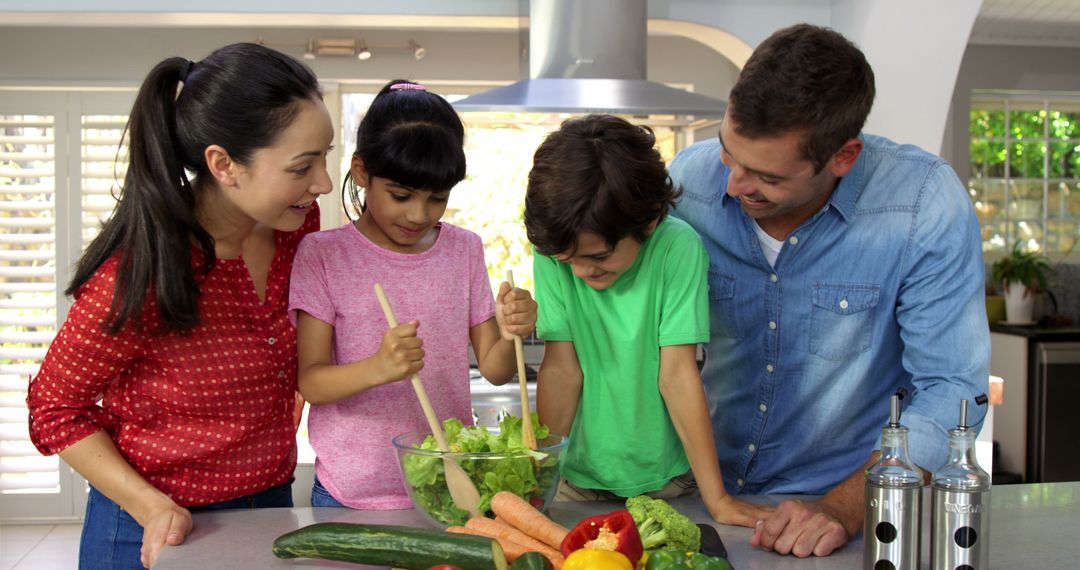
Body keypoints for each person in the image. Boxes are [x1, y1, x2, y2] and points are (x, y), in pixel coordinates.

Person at [668, 23, 990, 557]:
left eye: (767, 178)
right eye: (729, 153)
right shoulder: (691, 185)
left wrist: (843, 507)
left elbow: (952, 387)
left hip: (844, 513)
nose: (734, 185)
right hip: (702, 499)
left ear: (843, 156)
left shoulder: (922, 206)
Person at [26, 43, 333, 569]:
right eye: (303, 166)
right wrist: (149, 505)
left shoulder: (295, 226)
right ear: (224, 164)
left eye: (324, 157)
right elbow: (54, 409)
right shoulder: (139, 275)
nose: (322, 183)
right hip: (154, 523)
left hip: (271, 506)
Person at [289, 79, 538, 509]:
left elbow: (497, 371)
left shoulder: (464, 249)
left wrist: (514, 329)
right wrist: (378, 368)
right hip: (348, 492)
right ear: (362, 171)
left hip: (449, 483)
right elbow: (310, 381)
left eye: (437, 198)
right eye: (400, 195)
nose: (418, 214)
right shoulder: (323, 254)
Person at [525, 114, 772, 527]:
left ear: (650, 221)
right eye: (568, 261)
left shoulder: (678, 248)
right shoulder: (553, 250)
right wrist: (538, 480)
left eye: (599, 257)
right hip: (574, 480)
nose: (581, 271)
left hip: (667, 481)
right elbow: (562, 371)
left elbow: (677, 375)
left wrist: (718, 499)